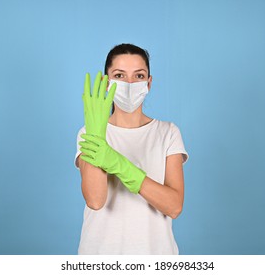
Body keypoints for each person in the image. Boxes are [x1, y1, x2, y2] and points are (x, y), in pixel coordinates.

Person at [74, 43, 188, 254]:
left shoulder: (168, 133)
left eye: (138, 76)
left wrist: (118, 164)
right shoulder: (87, 133)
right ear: (106, 83)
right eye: (119, 75)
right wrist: (96, 133)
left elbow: (174, 206)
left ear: (149, 83)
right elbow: (95, 200)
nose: (129, 83)